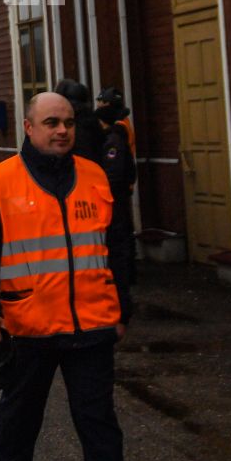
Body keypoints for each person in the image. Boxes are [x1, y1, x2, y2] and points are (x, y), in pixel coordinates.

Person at [0, 91, 160, 461]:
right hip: (29, 325)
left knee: (99, 427)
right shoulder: (1, 180)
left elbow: (116, 250)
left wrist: (122, 311)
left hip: (91, 326)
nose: (62, 131)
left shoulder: (95, 176)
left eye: (69, 122)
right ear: (28, 128)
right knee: (22, 413)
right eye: (51, 122)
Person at [95, 88, 138, 318]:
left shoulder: (116, 132)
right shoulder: (123, 126)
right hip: (124, 188)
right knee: (125, 232)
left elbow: (116, 168)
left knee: (122, 234)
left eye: (101, 102)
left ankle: (129, 273)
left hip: (119, 191)